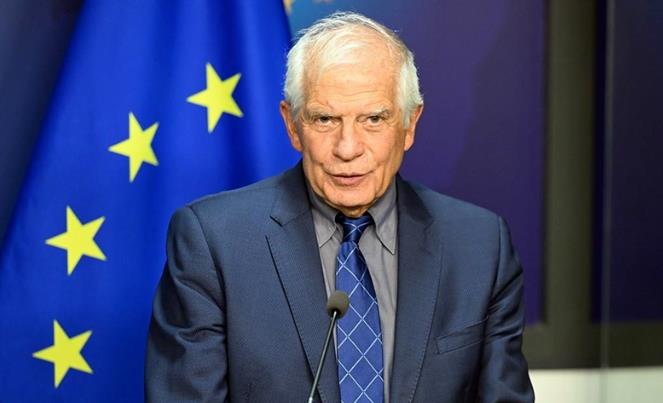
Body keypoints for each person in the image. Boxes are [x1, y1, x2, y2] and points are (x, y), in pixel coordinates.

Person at [145, 12, 534, 403]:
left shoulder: (480, 247)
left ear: (410, 124)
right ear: (292, 125)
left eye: (374, 119)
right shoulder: (214, 243)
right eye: (325, 119)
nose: (348, 148)